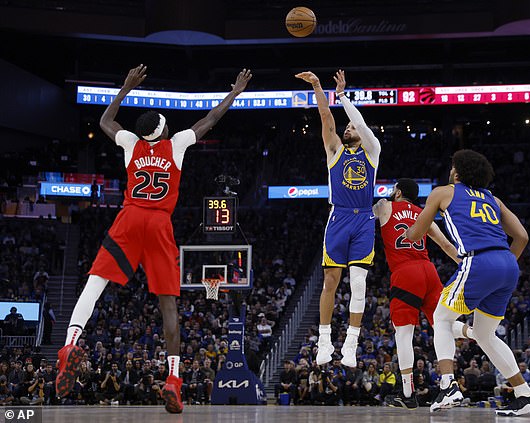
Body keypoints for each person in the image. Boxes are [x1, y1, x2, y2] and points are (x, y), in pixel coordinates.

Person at [55, 64, 252, 414]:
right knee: (168, 304)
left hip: (129, 218)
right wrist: (234, 93)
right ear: (163, 130)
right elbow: (209, 121)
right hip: (160, 224)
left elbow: (104, 121)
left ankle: (70, 342)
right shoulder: (176, 145)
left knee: (96, 281)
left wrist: (125, 88)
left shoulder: (130, 143)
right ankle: (173, 378)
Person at [406, 149, 530, 416]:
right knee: (484, 334)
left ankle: (448, 385)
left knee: (441, 318)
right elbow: (522, 237)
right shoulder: (494, 199)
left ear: (457, 171)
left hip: (479, 261)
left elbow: (415, 234)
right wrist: (503, 264)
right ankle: (525, 394)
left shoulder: (443, 192)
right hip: (507, 264)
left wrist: (407, 228)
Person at [295, 70, 380, 367]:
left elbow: (362, 125)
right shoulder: (334, 150)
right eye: (346, 127)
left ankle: (351, 344)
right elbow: (325, 117)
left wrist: (344, 97)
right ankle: (324, 340)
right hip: (339, 218)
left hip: (364, 219)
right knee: (331, 281)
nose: (347, 129)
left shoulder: (372, 151)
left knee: (359, 282)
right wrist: (319, 87)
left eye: (352, 127)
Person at [372, 178, 472, 409]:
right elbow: (447, 246)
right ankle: (476, 332)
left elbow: (367, 215)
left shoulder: (385, 206)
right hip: (429, 271)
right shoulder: (422, 213)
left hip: (405, 272)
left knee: (404, 334)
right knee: (443, 323)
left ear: (397, 192)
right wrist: (468, 266)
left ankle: (407, 394)